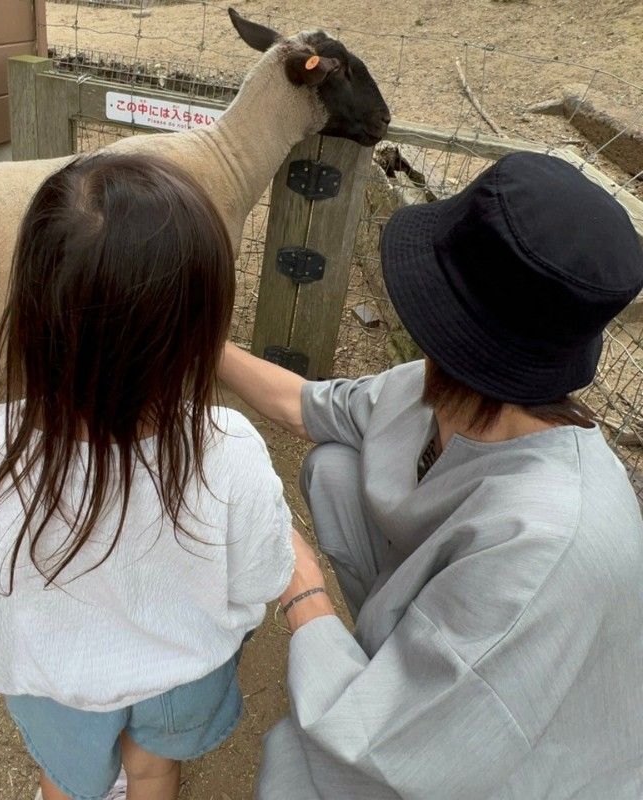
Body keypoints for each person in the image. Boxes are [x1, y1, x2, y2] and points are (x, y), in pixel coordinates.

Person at [220, 152, 643, 799]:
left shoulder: (548, 542)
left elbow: (385, 753)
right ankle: (384, 655)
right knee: (335, 465)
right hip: (464, 628)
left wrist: (301, 586)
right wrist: (200, 345)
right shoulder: (454, 392)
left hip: (525, 758)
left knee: (300, 774)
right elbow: (305, 406)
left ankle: (376, 669)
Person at [0, 153, 295, 800]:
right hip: (181, 673)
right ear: (200, 335)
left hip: (55, 678)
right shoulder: (231, 452)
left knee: (64, 776)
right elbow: (258, 583)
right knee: (153, 769)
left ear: (30, 315)